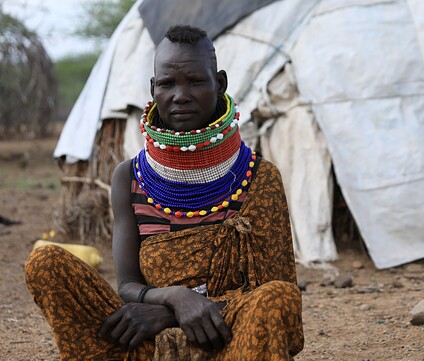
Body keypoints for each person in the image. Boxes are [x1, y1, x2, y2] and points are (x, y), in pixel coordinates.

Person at [25, 25, 303, 360]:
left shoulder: (258, 177)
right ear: (154, 88)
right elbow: (127, 285)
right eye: (168, 83)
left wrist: (176, 311)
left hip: (230, 338)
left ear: (220, 85)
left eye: (196, 81)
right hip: (146, 342)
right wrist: (174, 298)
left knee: (277, 299)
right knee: (46, 263)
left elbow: (279, 290)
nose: (180, 95)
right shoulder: (130, 176)